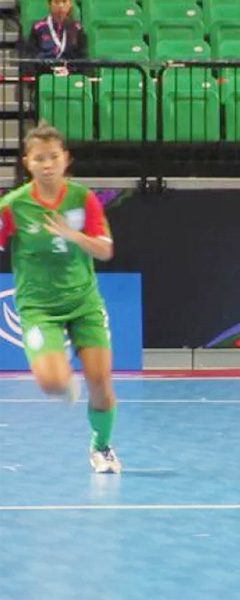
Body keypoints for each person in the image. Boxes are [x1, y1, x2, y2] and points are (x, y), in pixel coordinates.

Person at [0, 122, 121, 474]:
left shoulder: (83, 199)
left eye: (53, 157)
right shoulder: (13, 206)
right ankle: (59, 367)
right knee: (53, 383)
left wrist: (73, 235)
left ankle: (101, 447)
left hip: (84, 303)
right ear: (28, 163)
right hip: (39, 308)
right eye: (39, 158)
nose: (47, 164)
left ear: (65, 159)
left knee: (100, 382)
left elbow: (105, 251)